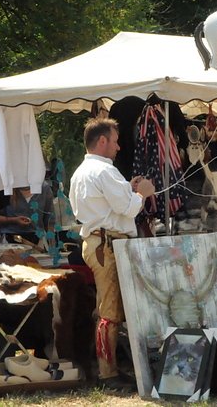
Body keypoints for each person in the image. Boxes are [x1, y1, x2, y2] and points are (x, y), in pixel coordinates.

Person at [69, 117, 155, 393]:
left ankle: (111, 369)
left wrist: (128, 191)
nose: (118, 147)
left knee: (109, 307)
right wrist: (141, 194)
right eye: (115, 141)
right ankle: (107, 374)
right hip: (107, 245)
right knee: (110, 310)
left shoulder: (82, 172)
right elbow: (129, 209)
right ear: (102, 141)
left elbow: (114, 204)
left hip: (101, 243)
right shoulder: (104, 171)